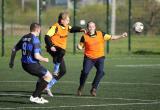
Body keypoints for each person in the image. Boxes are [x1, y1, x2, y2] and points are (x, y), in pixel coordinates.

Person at [77, 21, 127, 96]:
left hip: (100, 57)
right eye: (89, 27)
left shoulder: (101, 34)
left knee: (101, 72)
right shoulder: (84, 36)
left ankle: (94, 88)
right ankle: (81, 87)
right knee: (85, 72)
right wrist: (79, 47)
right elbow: (81, 46)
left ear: (95, 27)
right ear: (87, 28)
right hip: (89, 57)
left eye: (92, 26)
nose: (91, 28)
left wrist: (121, 36)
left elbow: (112, 37)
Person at [9, 23, 52, 104]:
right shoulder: (35, 39)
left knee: (42, 77)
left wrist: (11, 61)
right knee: (49, 76)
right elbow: (37, 56)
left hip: (25, 64)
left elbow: (14, 49)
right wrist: (45, 59)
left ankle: (39, 97)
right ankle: (35, 96)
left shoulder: (24, 37)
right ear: (37, 30)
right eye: (40, 30)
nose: (40, 31)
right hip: (31, 65)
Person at [44, 11, 85, 96]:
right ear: (62, 20)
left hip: (59, 52)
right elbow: (47, 36)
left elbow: (72, 29)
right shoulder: (55, 27)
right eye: (67, 20)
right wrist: (50, 46)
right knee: (62, 51)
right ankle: (55, 69)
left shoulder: (66, 26)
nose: (68, 22)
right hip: (53, 48)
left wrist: (81, 29)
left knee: (63, 71)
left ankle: (48, 86)